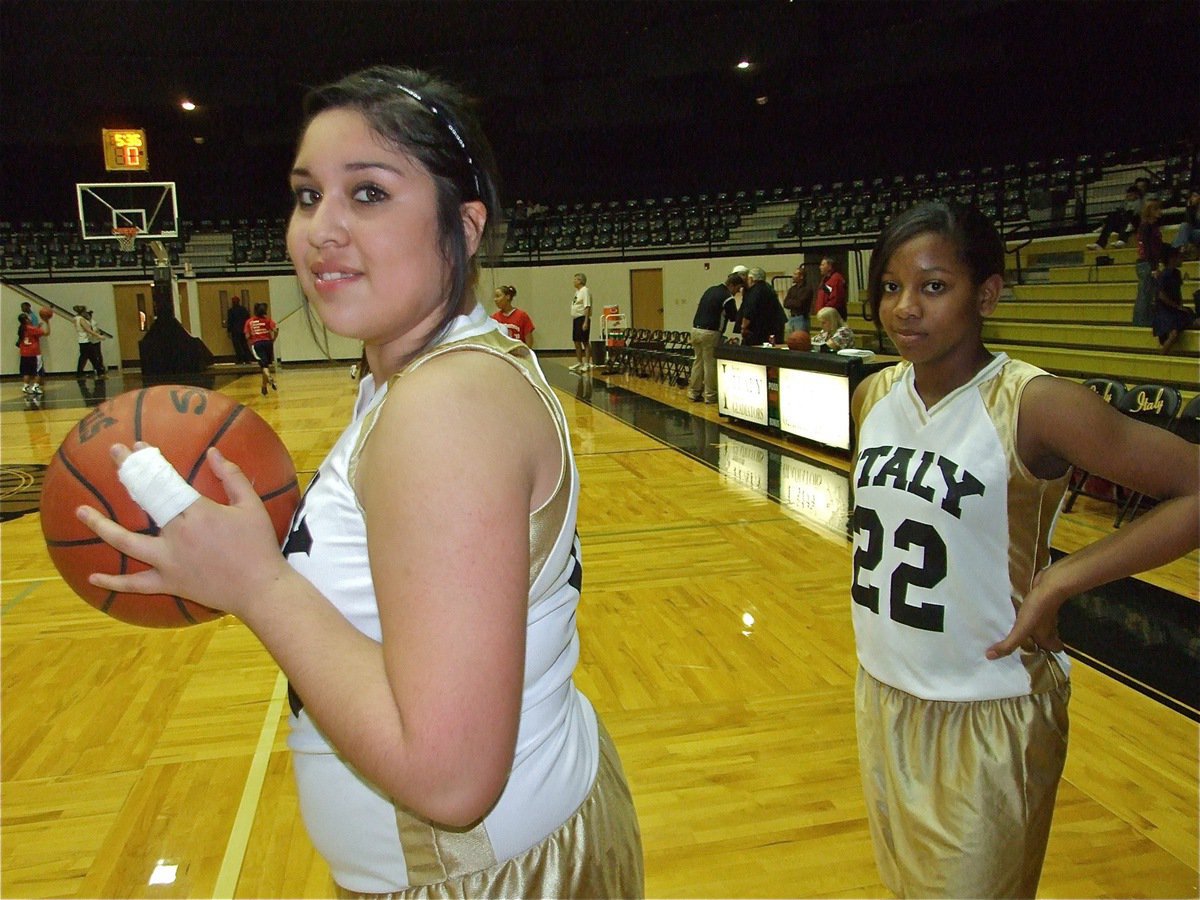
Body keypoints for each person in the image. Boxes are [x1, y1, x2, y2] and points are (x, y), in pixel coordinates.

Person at [76, 64, 643, 897]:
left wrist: (258, 585)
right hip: (527, 836)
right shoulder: (425, 376)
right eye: (308, 195)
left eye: (369, 193)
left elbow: (451, 782)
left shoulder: (443, 405)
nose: (321, 229)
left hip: (481, 872)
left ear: (466, 223)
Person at [850, 201, 1198, 898]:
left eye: (933, 286)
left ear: (988, 293)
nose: (905, 309)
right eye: (891, 287)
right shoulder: (871, 395)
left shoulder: (1033, 404)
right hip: (884, 698)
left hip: (991, 710)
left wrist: (1064, 577)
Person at [687, 271, 744, 403]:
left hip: (695, 329)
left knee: (698, 362)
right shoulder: (727, 297)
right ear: (733, 286)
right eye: (738, 289)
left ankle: (693, 392)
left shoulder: (710, 290)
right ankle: (710, 395)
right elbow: (733, 317)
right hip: (710, 332)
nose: (737, 292)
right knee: (710, 364)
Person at [1152, 245, 1197, 353]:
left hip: (1173, 309)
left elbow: (1177, 293)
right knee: (1174, 334)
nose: (1181, 259)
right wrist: (1177, 306)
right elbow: (1161, 295)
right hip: (1165, 311)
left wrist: (1179, 307)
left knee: (1191, 320)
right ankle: (1161, 354)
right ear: (1172, 259)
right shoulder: (1165, 275)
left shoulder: (1176, 273)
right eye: (1179, 257)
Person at [1132, 199, 1164, 327]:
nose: (1159, 212)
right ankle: (1141, 321)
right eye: (1156, 209)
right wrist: (1153, 266)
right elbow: (1147, 246)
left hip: (1149, 261)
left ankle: (1146, 319)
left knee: (1148, 293)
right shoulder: (1146, 226)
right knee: (1145, 294)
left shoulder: (1150, 226)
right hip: (1147, 262)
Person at [1086, 183, 1143, 250]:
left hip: (1135, 223)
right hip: (1124, 223)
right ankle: (1100, 244)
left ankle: (1123, 239)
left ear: (1136, 195)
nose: (1128, 196)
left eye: (1131, 195)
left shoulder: (1140, 203)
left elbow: (1138, 215)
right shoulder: (1125, 203)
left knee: (1128, 218)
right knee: (1112, 219)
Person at [739, 266, 785, 346]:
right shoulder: (768, 288)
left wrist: (743, 327)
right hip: (775, 326)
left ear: (751, 279)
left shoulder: (754, 291)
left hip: (759, 330)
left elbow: (749, 310)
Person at [244, 302, 278, 395]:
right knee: (265, 365)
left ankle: (270, 378)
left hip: (257, 344)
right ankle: (264, 387)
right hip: (268, 343)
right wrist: (274, 339)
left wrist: (250, 346)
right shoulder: (268, 320)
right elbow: (276, 329)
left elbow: (247, 336)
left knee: (263, 366)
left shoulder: (249, 322)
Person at [16, 311, 49, 396]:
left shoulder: (21, 328)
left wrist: (37, 327)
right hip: (34, 353)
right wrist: (47, 322)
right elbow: (47, 333)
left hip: (24, 354)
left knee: (26, 372)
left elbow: (32, 334)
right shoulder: (31, 328)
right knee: (38, 371)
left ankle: (26, 386)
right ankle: (36, 387)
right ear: (26, 320)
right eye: (28, 317)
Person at [72, 304, 106, 377]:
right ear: (83, 312)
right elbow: (88, 330)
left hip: (82, 340)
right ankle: (80, 373)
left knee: (89, 357)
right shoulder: (81, 319)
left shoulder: (75, 318)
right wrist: (99, 336)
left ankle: (98, 372)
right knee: (89, 357)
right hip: (85, 340)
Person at [782, 264, 814, 336]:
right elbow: (785, 303)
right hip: (792, 317)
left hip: (801, 318)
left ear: (801, 276)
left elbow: (800, 304)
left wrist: (792, 301)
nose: (793, 276)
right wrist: (794, 301)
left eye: (795, 274)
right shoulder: (792, 289)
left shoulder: (807, 289)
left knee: (800, 340)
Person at [569, 272, 591, 372]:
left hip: (582, 318)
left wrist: (585, 321)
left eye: (575, 279)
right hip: (576, 319)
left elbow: (587, 306)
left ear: (580, 281)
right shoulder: (577, 292)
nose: (573, 281)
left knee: (584, 341)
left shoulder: (585, 291)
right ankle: (579, 362)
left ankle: (587, 363)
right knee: (576, 341)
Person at [1170, 188, 1200, 259]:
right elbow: (1189, 223)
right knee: (1183, 227)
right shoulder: (1191, 208)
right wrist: (1190, 208)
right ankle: (1180, 251)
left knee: (1180, 235)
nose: (1193, 198)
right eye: (1193, 196)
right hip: (1194, 234)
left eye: (1195, 196)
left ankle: (1174, 254)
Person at [226, 297, 253, 362]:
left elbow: (230, 321)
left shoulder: (231, 311)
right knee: (244, 345)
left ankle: (240, 359)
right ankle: (247, 359)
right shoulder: (244, 310)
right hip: (243, 330)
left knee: (237, 346)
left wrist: (229, 331)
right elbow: (248, 319)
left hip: (235, 331)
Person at [86, 309, 108, 376]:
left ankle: (100, 366)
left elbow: (94, 331)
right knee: (94, 355)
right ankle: (97, 367)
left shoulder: (93, 323)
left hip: (96, 340)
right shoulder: (86, 322)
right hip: (91, 340)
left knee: (98, 354)